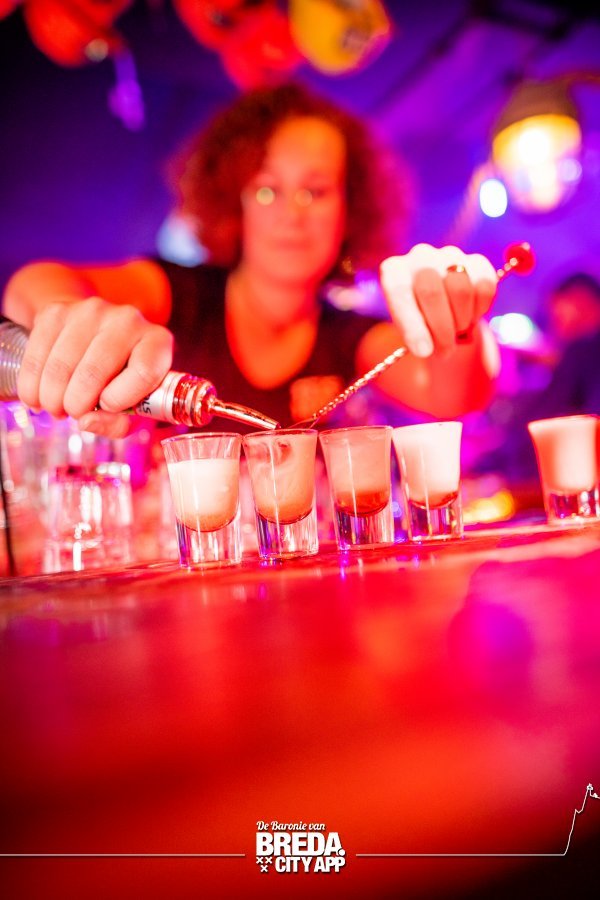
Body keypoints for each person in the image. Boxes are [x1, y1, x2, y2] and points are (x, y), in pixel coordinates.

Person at [2, 82, 499, 438]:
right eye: (266, 190)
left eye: (315, 191)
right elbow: (36, 284)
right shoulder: (182, 294)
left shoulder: (347, 336)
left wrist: (458, 318)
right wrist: (71, 322)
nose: (291, 214)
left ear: (350, 211)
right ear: (233, 204)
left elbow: (454, 394)